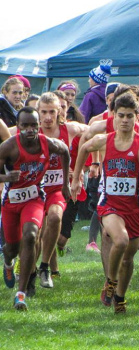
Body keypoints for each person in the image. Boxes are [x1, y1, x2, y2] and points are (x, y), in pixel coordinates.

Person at [71, 93, 139, 314]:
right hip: (109, 204)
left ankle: (120, 297)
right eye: (120, 115)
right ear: (113, 116)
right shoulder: (104, 140)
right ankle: (110, 283)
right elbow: (84, 148)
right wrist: (76, 179)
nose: (124, 120)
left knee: (128, 258)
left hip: (134, 206)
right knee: (119, 241)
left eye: (130, 116)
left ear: (137, 116)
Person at [1, 106, 70, 311]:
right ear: (18, 126)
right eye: (25, 126)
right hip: (11, 203)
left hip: (34, 199)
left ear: (38, 125)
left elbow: (65, 151)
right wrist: (6, 177)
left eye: (33, 125)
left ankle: (21, 293)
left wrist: (65, 183)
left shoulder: (47, 143)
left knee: (31, 236)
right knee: (12, 248)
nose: (29, 130)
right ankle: (7, 263)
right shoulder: (8, 147)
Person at [33, 92, 87, 289]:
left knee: (55, 218)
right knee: (35, 234)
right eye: (44, 112)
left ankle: (45, 267)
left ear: (60, 112)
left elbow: (95, 134)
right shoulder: (30, 131)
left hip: (57, 189)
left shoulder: (69, 129)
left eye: (52, 112)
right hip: (35, 191)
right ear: (37, 113)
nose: (48, 117)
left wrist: (83, 169)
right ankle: (30, 270)